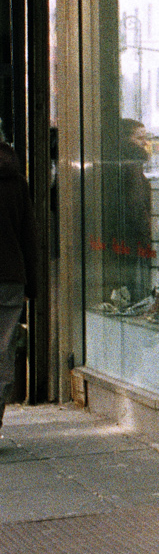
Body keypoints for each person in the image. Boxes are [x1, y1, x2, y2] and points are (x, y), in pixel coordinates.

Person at [0, 145, 37, 424]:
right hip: (10, 279)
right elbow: (29, 237)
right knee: (3, 351)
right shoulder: (17, 182)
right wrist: (31, 286)